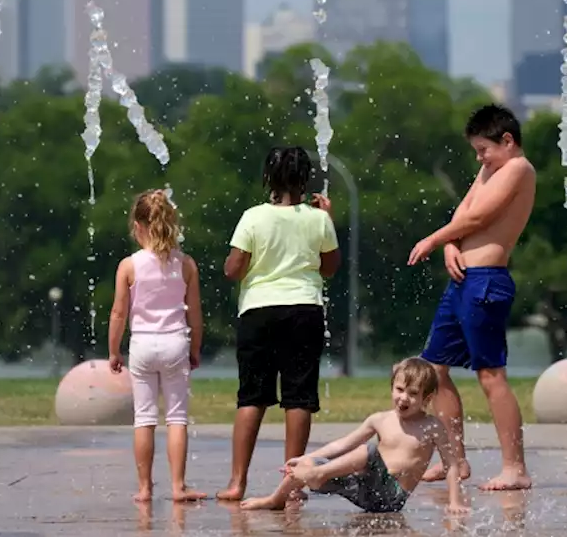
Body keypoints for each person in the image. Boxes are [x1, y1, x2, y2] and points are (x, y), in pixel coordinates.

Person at [407, 104, 536, 492]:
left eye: (483, 149)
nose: (479, 158)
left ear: (507, 141)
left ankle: (515, 467)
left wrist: (435, 239)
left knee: (490, 374)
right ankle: (455, 460)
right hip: (462, 279)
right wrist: (450, 245)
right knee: (434, 370)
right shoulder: (491, 169)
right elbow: (464, 211)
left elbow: (480, 218)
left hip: (486, 281)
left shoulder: (518, 169)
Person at [216, 146, 341, 502]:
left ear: (268, 179)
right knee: (298, 397)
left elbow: (233, 269)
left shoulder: (253, 217)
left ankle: (237, 482)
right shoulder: (318, 220)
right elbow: (329, 268)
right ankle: (293, 483)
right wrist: (326, 219)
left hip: (258, 310)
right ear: (305, 180)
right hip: (304, 309)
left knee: (251, 397)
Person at [240, 357, 467, 514]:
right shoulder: (379, 419)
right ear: (392, 388)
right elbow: (343, 444)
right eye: (399, 390)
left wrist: (455, 501)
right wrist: (306, 457)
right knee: (309, 463)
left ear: (426, 399)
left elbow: (451, 465)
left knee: (367, 451)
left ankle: (318, 473)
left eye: (413, 393)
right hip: (364, 491)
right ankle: (275, 499)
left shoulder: (432, 426)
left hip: (392, 497)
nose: (403, 398)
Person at [108, 189, 208, 503]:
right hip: (175, 343)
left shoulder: (129, 265)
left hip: (141, 347)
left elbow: (118, 312)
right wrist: (195, 349)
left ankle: (144, 488)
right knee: (176, 417)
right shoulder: (186, 264)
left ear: (138, 227)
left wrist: (113, 350)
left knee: (144, 418)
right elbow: (196, 315)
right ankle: (178, 487)